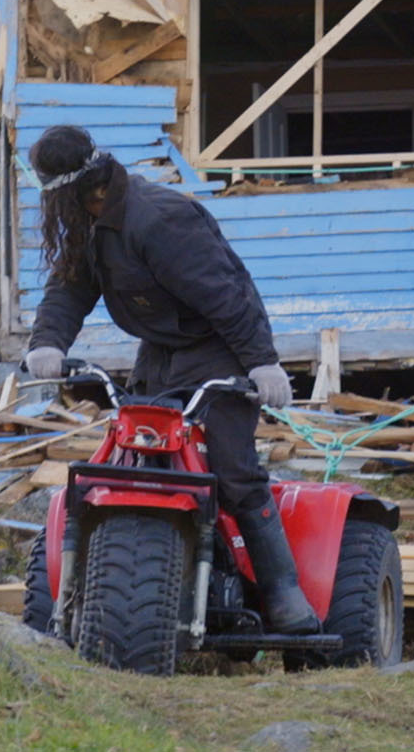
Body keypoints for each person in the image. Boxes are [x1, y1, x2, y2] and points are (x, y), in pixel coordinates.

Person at [23, 124, 316, 634]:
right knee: (133, 460)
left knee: (231, 469)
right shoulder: (91, 220)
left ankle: (282, 592)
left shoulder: (159, 219)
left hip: (218, 349)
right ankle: (106, 592)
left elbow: (227, 294)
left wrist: (262, 363)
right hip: (160, 354)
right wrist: (47, 343)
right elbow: (70, 287)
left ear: (69, 189)